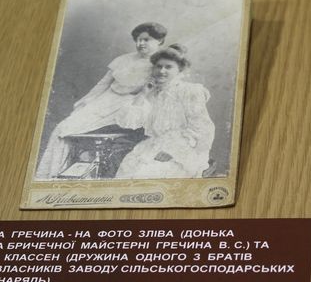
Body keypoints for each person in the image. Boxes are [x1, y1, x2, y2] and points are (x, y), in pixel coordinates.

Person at [36, 22, 167, 179]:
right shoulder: (123, 59)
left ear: (159, 40)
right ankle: (54, 175)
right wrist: (86, 101)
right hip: (105, 101)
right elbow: (103, 84)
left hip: (128, 106)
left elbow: (158, 94)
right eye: (138, 40)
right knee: (62, 129)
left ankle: (69, 174)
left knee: (68, 130)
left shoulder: (161, 65)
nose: (141, 43)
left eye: (146, 40)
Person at [115, 44, 215, 179]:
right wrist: (143, 93)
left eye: (168, 67)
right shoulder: (151, 93)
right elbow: (129, 122)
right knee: (128, 171)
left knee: (150, 174)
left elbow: (202, 129)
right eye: (158, 66)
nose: (162, 71)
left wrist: (173, 152)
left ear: (179, 69)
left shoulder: (189, 91)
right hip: (152, 146)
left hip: (182, 151)